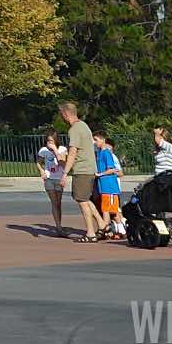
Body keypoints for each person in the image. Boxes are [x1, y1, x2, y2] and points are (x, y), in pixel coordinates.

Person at [59, 101, 100, 242]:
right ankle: (102, 224)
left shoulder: (74, 129)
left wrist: (64, 173)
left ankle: (90, 233)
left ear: (65, 114)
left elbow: (72, 152)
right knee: (86, 199)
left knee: (82, 200)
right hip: (89, 168)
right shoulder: (84, 126)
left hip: (82, 169)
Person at [92, 136, 123, 240]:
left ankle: (114, 230)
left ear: (103, 140)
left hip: (110, 187)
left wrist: (99, 174)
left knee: (112, 211)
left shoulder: (106, 153)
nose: (94, 142)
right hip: (104, 187)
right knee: (107, 210)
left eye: (96, 140)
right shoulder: (99, 153)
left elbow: (112, 170)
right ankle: (109, 230)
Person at [37, 137, 68, 234]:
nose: (49, 143)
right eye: (48, 141)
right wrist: (42, 171)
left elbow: (63, 164)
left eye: (51, 141)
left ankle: (59, 224)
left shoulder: (62, 149)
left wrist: (55, 150)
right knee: (54, 202)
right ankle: (58, 226)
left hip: (59, 178)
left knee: (58, 203)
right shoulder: (43, 150)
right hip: (49, 178)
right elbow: (38, 162)